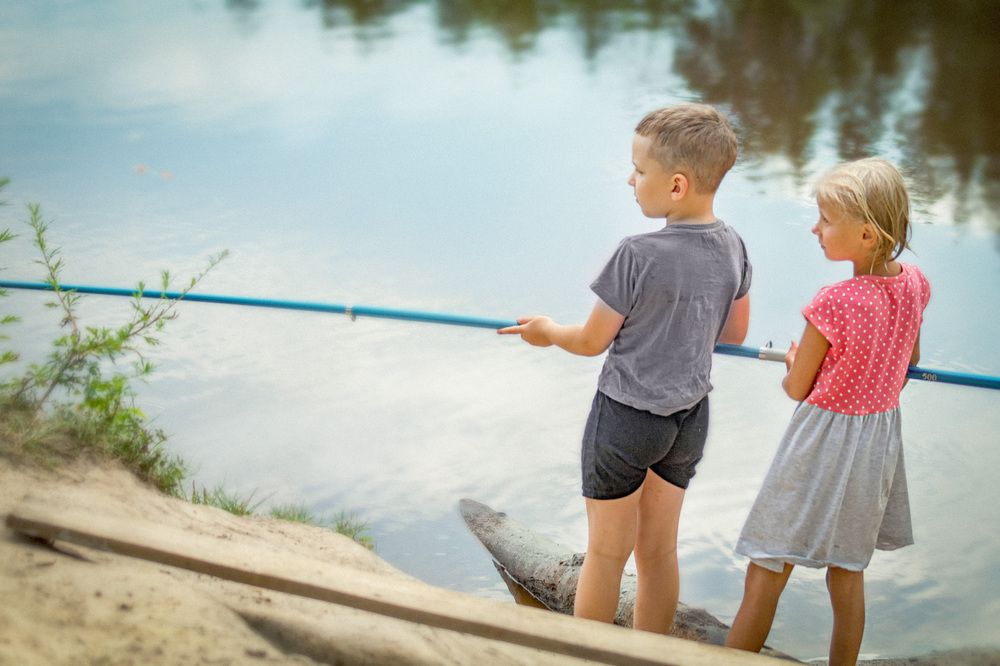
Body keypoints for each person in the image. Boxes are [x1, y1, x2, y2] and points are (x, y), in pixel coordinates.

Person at [499, 103, 752, 634]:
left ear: (677, 185)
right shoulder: (734, 246)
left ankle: (591, 653)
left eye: (639, 171)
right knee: (658, 552)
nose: (630, 179)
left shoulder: (636, 253)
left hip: (625, 421)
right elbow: (734, 334)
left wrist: (545, 332)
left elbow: (592, 341)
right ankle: (651, 653)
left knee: (606, 554)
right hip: (689, 420)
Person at [725, 158, 931, 665]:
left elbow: (798, 387)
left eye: (826, 220)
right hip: (876, 443)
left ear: (865, 234)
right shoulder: (916, 284)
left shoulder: (834, 301)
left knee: (767, 568)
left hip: (821, 444)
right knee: (847, 571)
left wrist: (798, 360)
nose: (815, 229)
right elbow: (912, 360)